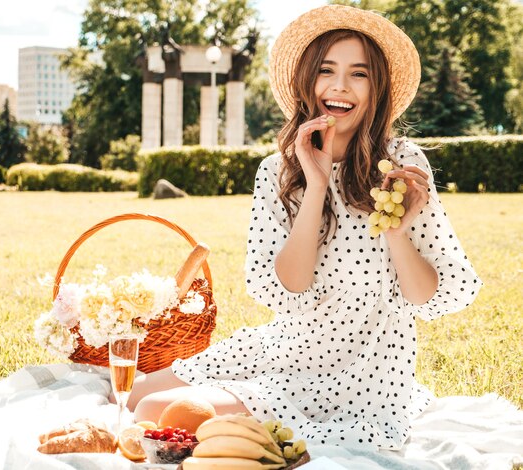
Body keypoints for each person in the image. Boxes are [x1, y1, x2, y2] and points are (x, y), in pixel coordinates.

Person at [128, 5, 482, 450]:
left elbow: (426, 297)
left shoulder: (403, 163)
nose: (339, 86)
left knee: (153, 412)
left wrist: (395, 229)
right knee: (130, 394)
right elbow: (289, 289)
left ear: (377, 89)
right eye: (327, 71)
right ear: (307, 83)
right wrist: (315, 185)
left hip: (361, 375)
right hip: (284, 347)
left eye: (359, 74)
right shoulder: (276, 171)